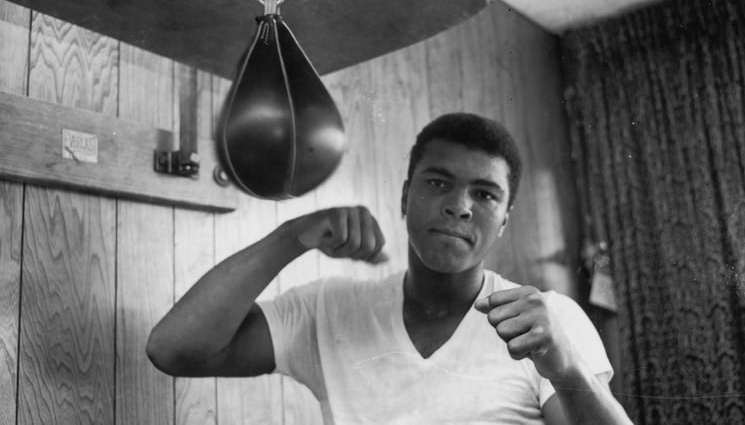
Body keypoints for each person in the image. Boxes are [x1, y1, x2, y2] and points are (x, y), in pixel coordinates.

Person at [147, 113, 632, 424]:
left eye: (485, 194)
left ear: (504, 219)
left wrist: (566, 366)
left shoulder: (548, 320)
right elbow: (174, 350)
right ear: (405, 197)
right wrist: (290, 236)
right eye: (438, 183)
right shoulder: (329, 309)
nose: (460, 207)